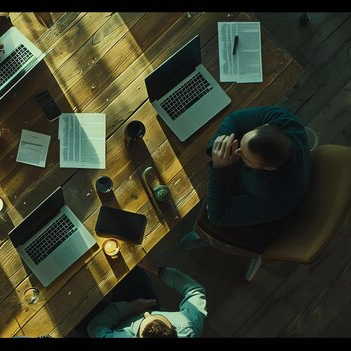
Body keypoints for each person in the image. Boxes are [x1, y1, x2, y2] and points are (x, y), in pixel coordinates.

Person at [180, 106, 310, 251]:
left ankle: (205, 239)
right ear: (265, 126)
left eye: (245, 157)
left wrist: (218, 168)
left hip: (263, 220)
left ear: (268, 168)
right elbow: (234, 118)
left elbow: (217, 216)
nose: (237, 151)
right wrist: (216, 148)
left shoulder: (270, 199)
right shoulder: (283, 118)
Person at [85, 261, 207, 338]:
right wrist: (155, 269)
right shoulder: (188, 326)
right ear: (173, 329)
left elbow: (95, 327)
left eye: (143, 321)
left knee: (78, 312)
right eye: (161, 317)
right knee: (129, 263)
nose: (147, 313)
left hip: (112, 324)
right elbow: (195, 291)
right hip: (146, 302)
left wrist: (129, 308)